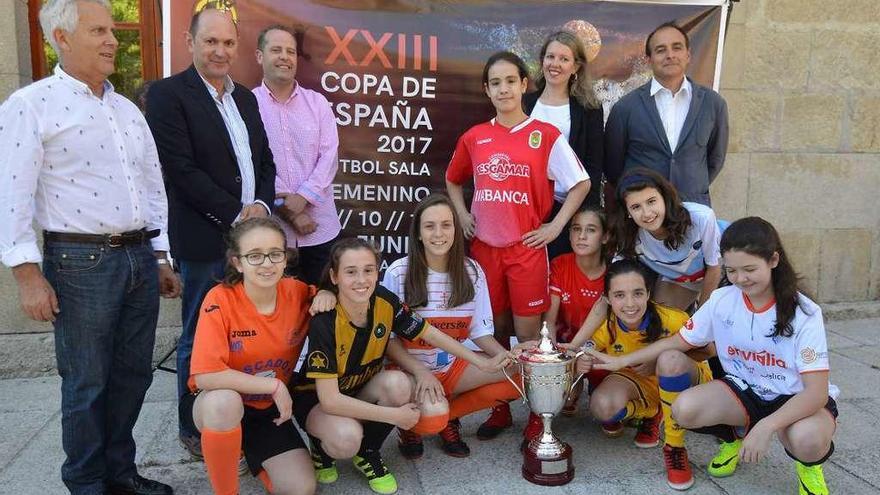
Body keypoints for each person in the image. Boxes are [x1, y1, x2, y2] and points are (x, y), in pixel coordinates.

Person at [0, 1, 179, 493]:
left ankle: (120, 473)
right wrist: (27, 274)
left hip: (139, 257)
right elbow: (10, 193)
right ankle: (85, 482)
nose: (112, 40)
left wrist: (160, 255)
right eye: (98, 30)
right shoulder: (30, 105)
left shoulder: (125, 109)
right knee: (86, 383)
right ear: (60, 37)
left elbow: (151, 188)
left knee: (132, 376)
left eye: (112, 30)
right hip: (79, 263)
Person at [587, 217, 839, 494]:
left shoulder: (804, 312)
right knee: (684, 409)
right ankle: (733, 438)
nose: (740, 279)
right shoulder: (722, 300)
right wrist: (621, 361)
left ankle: (808, 468)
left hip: (793, 398)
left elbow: (816, 393)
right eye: (731, 270)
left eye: (749, 269)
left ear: (774, 260)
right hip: (744, 391)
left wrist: (767, 426)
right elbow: (678, 342)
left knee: (807, 439)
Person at [145, 6, 277, 455]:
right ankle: (193, 426)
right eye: (211, 42)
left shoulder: (246, 98)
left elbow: (263, 161)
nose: (220, 51)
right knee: (199, 337)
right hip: (205, 241)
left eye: (227, 43)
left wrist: (260, 204)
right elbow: (180, 170)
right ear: (190, 42)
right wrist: (238, 215)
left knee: (245, 334)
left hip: (251, 236)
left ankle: (238, 410)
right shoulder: (166, 95)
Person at [292, 238, 510, 495]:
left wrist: (481, 362)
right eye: (351, 272)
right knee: (345, 439)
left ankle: (368, 453)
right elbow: (330, 401)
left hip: (358, 389)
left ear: (378, 272)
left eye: (368, 270)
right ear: (334, 276)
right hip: (319, 402)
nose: (361, 280)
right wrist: (395, 417)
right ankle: (319, 445)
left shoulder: (385, 301)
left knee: (399, 384)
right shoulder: (325, 320)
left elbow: (430, 333)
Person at [446, 51, 590, 438]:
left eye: (511, 80)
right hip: (484, 251)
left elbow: (581, 183)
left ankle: (535, 415)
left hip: (525, 250)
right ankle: (499, 407)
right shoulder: (475, 137)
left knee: (528, 336)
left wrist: (555, 227)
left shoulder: (545, 135)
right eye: (496, 82)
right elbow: (453, 179)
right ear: (487, 90)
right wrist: (462, 214)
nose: (504, 88)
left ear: (524, 85)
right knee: (493, 334)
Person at [183, 218, 334, 495]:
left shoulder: (298, 292)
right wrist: (274, 385)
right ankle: (226, 488)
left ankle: (248, 451)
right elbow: (205, 375)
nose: (267, 263)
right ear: (237, 262)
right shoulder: (220, 298)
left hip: (267, 410)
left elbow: (331, 293)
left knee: (301, 488)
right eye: (254, 256)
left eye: (275, 254)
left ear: (285, 258)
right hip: (219, 403)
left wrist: (327, 292)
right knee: (223, 403)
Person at [381, 194, 522, 459]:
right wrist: (421, 372)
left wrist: (504, 356)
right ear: (419, 233)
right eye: (429, 226)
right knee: (430, 419)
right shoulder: (399, 272)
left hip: (453, 368)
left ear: (456, 230)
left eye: (446, 225)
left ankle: (450, 416)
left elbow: (479, 332)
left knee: (525, 374)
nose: (438, 233)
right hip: (412, 372)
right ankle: (414, 424)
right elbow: (388, 339)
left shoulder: (472, 271)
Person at [575, 259, 712, 489]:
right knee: (602, 408)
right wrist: (582, 359)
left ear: (648, 294)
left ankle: (675, 447)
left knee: (669, 360)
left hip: (687, 382)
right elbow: (586, 348)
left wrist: (657, 361)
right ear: (607, 299)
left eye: (637, 293)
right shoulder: (606, 324)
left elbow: (710, 351)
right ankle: (652, 411)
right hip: (641, 382)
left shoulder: (674, 318)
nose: (630, 303)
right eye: (619, 295)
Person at [604, 22, 729, 206]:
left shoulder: (713, 104)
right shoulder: (625, 108)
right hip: (642, 218)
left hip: (692, 210)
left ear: (688, 54)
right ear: (649, 60)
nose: (670, 55)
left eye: (677, 48)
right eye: (661, 50)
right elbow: (613, 167)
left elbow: (715, 160)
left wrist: (691, 185)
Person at [253, 25, 341, 285]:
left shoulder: (318, 103)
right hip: (269, 233)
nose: (285, 57)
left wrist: (303, 197)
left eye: (290, 51)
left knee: (323, 305)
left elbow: (329, 156)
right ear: (260, 56)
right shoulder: (247, 104)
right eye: (276, 50)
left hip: (321, 229)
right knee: (275, 313)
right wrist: (288, 209)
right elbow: (252, 162)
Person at [523, 30, 604, 259]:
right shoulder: (524, 103)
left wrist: (584, 218)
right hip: (527, 207)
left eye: (564, 59)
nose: (555, 64)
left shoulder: (589, 109)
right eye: (550, 57)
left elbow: (593, 167)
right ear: (542, 61)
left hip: (569, 209)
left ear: (575, 67)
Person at [612, 167, 722, 312]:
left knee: (720, 325)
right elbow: (616, 277)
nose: (647, 213)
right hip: (683, 280)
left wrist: (701, 319)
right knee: (660, 322)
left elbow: (715, 268)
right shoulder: (628, 234)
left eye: (651, 201)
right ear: (627, 212)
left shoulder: (701, 217)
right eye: (636, 207)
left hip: (726, 272)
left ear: (664, 197)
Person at [542, 206, 609, 416]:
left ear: (605, 236)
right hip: (566, 348)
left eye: (591, 230)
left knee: (605, 410)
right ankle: (573, 385)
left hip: (602, 351)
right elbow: (549, 322)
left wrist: (581, 352)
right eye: (576, 229)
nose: (581, 236)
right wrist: (553, 359)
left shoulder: (614, 271)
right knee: (563, 401)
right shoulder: (560, 265)